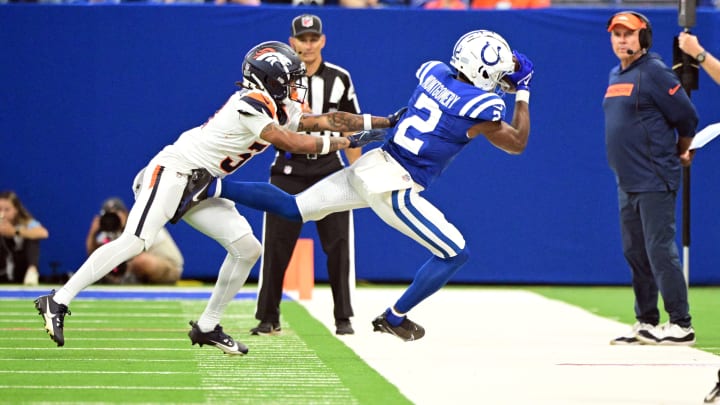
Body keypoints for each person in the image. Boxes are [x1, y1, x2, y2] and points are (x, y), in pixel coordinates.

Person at [33, 40, 400, 353]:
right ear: (270, 82)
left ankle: (208, 326)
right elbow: (289, 141)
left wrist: (383, 122)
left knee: (247, 248)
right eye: (290, 82)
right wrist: (347, 143)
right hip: (174, 172)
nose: (295, 89)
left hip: (203, 181)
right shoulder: (250, 102)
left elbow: (326, 119)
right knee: (137, 240)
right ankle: (58, 299)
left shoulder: (280, 105)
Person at [215, 30, 533, 341]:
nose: (501, 79)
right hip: (394, 185)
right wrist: (523, 91)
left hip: (373, 163)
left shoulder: (435, 73)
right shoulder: (481, 109)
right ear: (481, 71)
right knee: (454, 253)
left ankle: (211, 187)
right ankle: (394, 317)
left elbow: (427, 111)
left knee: (293, 207)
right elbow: (516, 143)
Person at [250, 14, 361, 337]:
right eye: (303, 39)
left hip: (329, 167)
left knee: (339, 245)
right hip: (289, 168)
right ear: (292, 41)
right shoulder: (277, 77)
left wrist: (359, 174)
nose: (308, 45)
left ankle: (344, 318)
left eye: (314, 39)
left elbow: (351, 127)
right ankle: (268, 316)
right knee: (276, 246)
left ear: (322, 41)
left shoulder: (340, 78)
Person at [604, 12, 698, 346]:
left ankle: (681, 324)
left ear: (644, 38)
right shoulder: (617, 73)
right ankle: (646, 322)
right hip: (627, 181)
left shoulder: (655, 72)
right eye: (616, 34)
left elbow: (687, 116)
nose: (621, 40)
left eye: (628, 34)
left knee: (659, 251)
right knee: (635, 252)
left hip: (655, 177)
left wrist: (683, 149)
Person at [86, 197, 184, 285]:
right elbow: (94, 255)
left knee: (141, 261)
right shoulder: (108, 233)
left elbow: (136, 254)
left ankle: (125, 280)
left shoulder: (139, 224)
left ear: (125, 213)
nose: (113, 218)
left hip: (169, 267)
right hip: (138, 272)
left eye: (116, 213)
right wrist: (93, 233)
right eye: (109, 215)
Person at [0, 191, 48, 286]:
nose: (2, 214)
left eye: (7, 210)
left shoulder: (26, 222)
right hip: (3, 270)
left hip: (21, 270)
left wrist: (15, 232)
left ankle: (32, 271)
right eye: (0, 209)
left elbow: (43, 233)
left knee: (32, 237)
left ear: (16, 210)